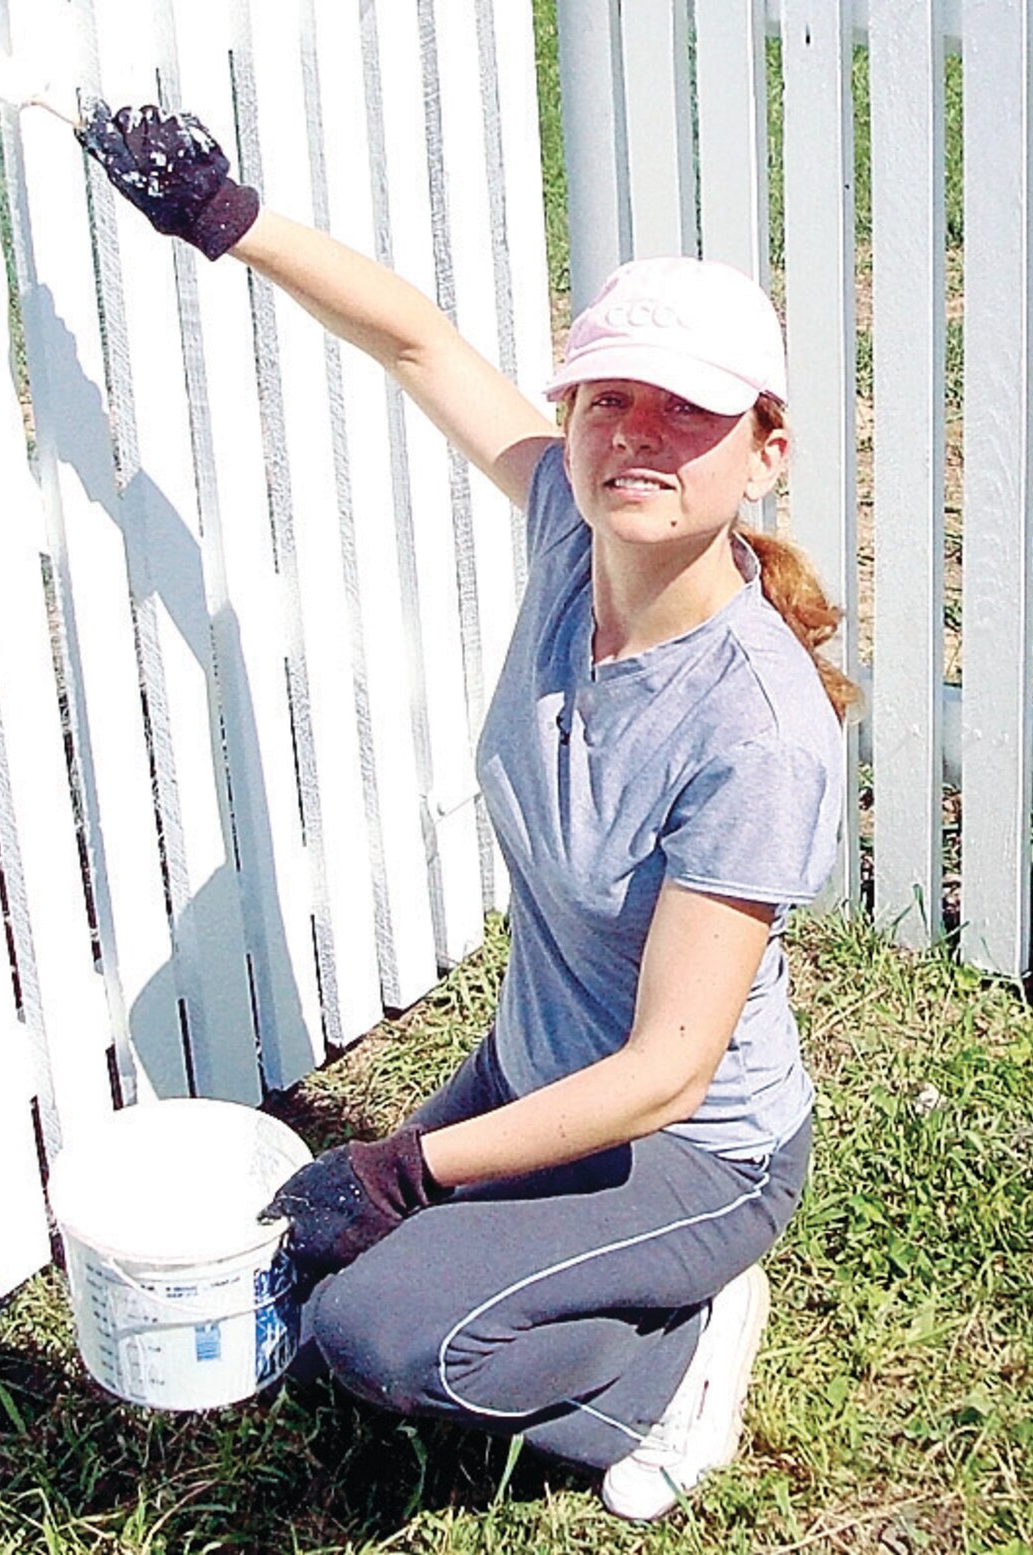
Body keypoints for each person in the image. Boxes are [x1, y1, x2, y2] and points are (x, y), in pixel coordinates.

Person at [78, 102, 859, 1522]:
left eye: (688, 410)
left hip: (689, 1150)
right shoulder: (577, 528)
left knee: (379, 1339)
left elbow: (669, 1073)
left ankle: (675, 1358)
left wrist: (406, 1163)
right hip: (536, 1076)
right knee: (304, 1279)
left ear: (764, 449)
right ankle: (591, 1290)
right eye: (608, 397)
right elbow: (419, 341)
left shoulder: (757, 730)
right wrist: (224, 217)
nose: (637, 436)